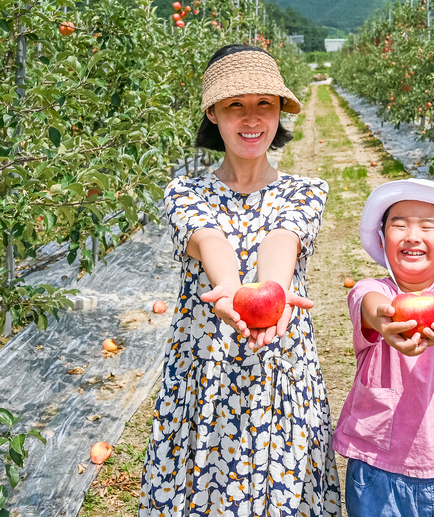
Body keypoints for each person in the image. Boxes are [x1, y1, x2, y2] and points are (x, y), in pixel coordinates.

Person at [140, 44, 342, 517]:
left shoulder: (305, 191)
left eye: (263, 105)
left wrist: (270, 295)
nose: (251, 119)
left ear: (279, 112)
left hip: (279, 376)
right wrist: (229, 291)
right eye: (235, 105)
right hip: (206, 375)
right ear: (213, 112)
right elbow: (209, 240)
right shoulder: (185, 191)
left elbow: (281, 241)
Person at [334, 178, 434, 517]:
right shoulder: (372, 290)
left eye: (427, 226)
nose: (412, 235)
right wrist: (386, 319)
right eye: (399, 225)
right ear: (382, 237)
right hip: (376, 468)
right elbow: (369, 305)